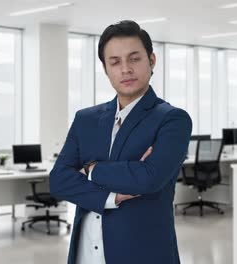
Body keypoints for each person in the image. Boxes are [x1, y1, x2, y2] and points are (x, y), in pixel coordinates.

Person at [50, 20, 192, 264]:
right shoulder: (86, 119)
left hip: (143, 254)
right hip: (85, 255)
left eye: (134, 58)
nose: (125, 69)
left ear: (152, 60)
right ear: (106, 69)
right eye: (114, 62)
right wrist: (113, 195)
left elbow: (149, 177)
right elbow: (58, 180)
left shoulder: (172, 119)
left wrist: (90, 170)